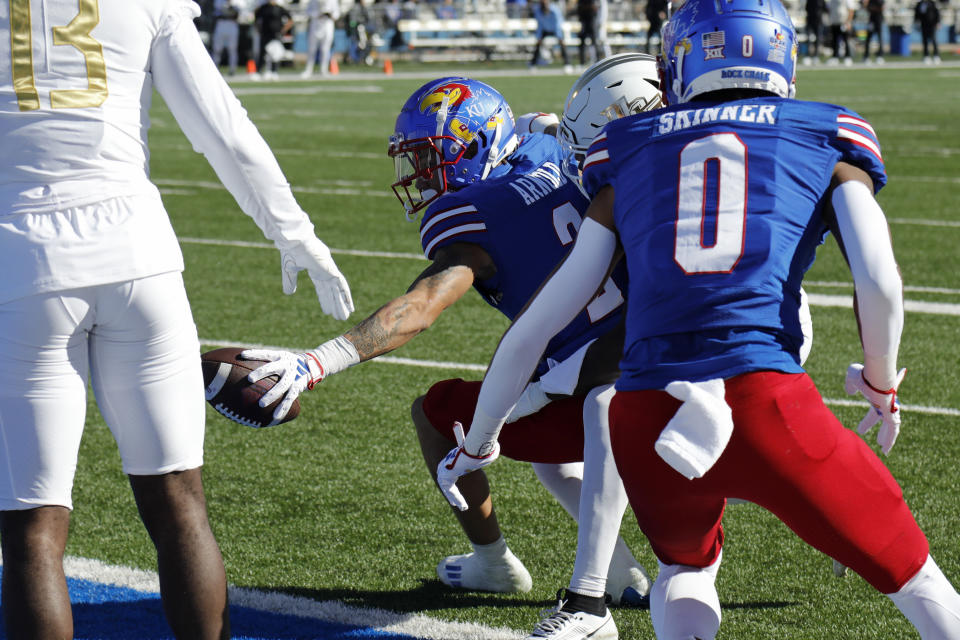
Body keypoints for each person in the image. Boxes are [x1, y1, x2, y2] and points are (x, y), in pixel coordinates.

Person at [435, 0, 960, 638]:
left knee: (684, 571)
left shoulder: (623, 147)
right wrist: (880, 382)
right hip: (766, 399)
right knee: (913, 576)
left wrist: (478, 438)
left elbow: (540, 320)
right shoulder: (829, 129)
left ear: (681, 60)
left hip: (647, 411)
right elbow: (878, 278)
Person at [238, 75, 656, 630]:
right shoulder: (554, 148)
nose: (419, 176)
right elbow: (540, 126)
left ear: (474, 146)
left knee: (436, 413)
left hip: (600, 389)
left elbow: (421, 306)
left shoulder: (475, 216)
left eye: (430, 158)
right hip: (657, 357)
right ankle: (622, 570)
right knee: (551, 456)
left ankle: (493, 561)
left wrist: (318, 361)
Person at [0, 1, 353, 638]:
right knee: (178, 500)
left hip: (23, 263)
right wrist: (291, 232)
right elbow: (222, 125)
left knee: (33, 530)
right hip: (140, 258)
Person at [255, 0, 294, 79]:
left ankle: (274, 71)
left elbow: (290, 20)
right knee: (263, 53)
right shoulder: (263, 8)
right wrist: (258, 30)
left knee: (276, 53)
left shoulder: (279, 8)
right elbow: (256, 19)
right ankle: (259, 71)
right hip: (265, 34)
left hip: (276, 34)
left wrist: (283, 30)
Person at [301, 0, 341, 77]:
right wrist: (317, 14)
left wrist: (330, 15)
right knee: (312, 49)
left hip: (327, 25)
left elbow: (337, 13)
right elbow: (308, 11)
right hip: (315, 25)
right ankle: (309, 69)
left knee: (325, 49)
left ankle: (323, 69)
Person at [531, 0, 572, 72]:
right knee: (538, 44)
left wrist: (559, 36)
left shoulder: (555, 10)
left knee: (562, 43)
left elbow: (558, 23)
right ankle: (533, 64)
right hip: (544, 29)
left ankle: (567, 64)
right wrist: (539, 37)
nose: (544, 5)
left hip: (555, 29)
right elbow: (539, 24)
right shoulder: (538, 11)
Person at [211, 0, 243, 75]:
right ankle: (215, 67)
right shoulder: (219, 1)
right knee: (217, 49)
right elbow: (217, 13)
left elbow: (237, 13)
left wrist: (230, 9)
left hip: (232, 24)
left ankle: (232, 69)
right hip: (221, 24)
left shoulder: (238, 2)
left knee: (232, 49)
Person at [576, 0, 604, 66]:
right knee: (582, 43)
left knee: (594, 42)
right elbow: (579, 9)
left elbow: (594, 9)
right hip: (584, 23)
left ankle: (598, 61)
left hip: (591, 22)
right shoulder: (581, 2)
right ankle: (582, 62)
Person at [827, 0, 856, 64]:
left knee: (845, 40)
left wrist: (848, 22)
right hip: (834, 22)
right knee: (834, 40)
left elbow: (851, 10)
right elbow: (829, 9)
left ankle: (848, 57)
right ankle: (835, 57)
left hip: (843, 22)